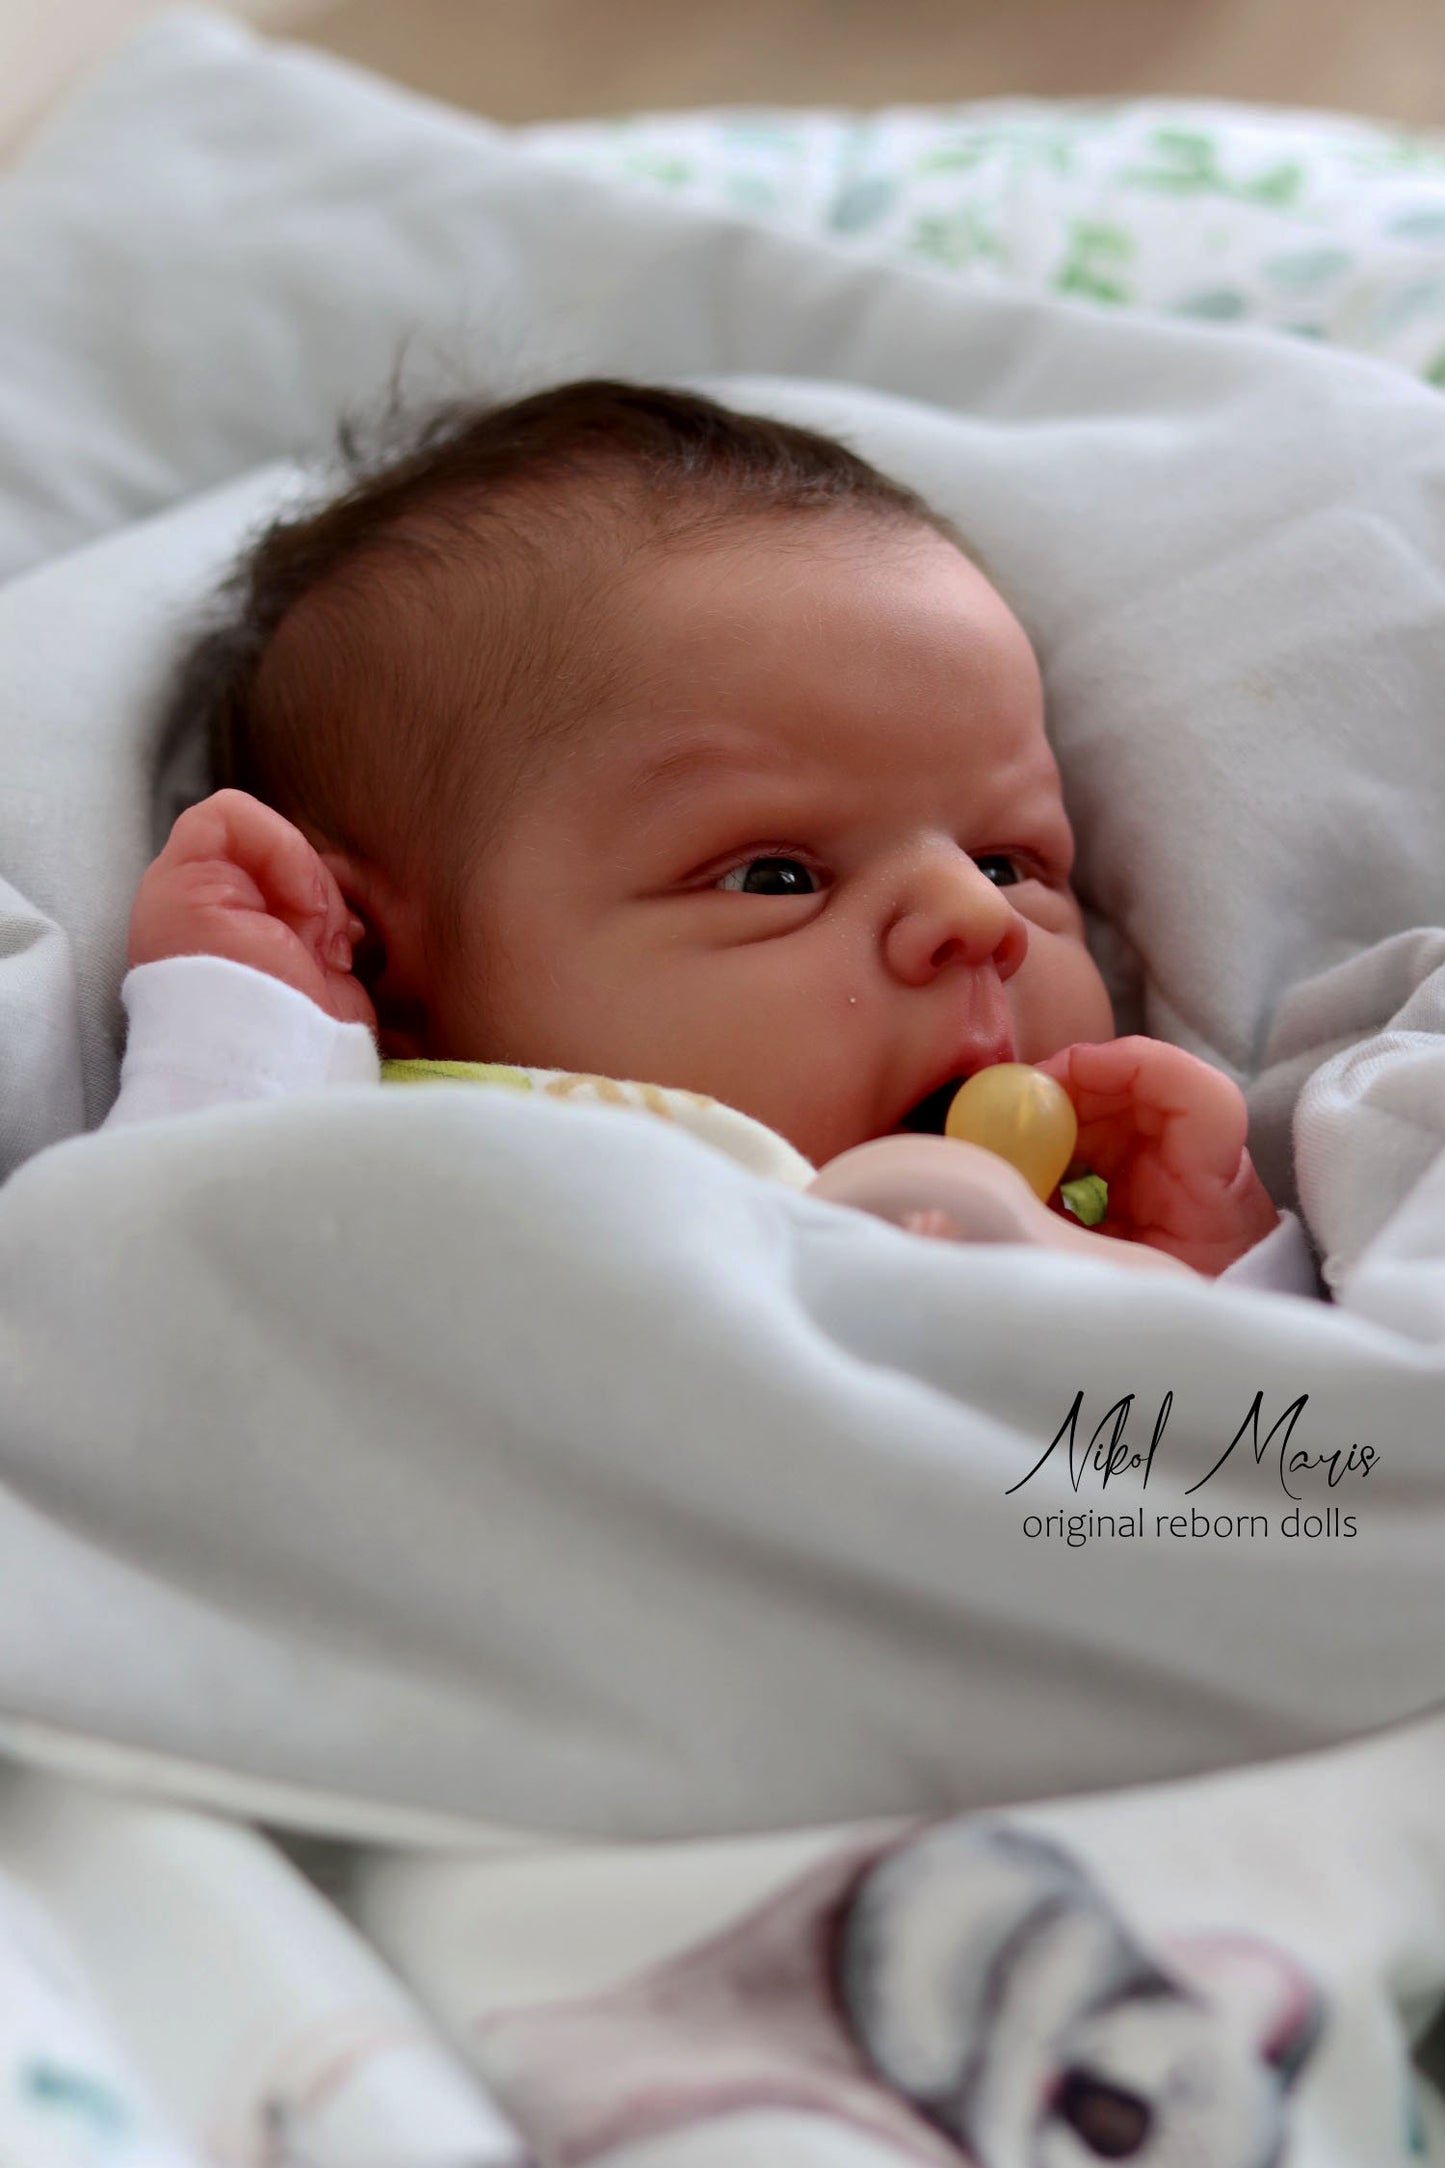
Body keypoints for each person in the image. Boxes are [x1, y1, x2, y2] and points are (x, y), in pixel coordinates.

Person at [113, 379, 1316, 1289]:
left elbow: (1231, 1485)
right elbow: (170, 1296)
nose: (976, 916)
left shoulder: (1081, 1221)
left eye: (1009, 862)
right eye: (776, 876)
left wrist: (1212, 1264)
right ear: (381, 962)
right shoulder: (393, 1158)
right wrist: (248, 1026)